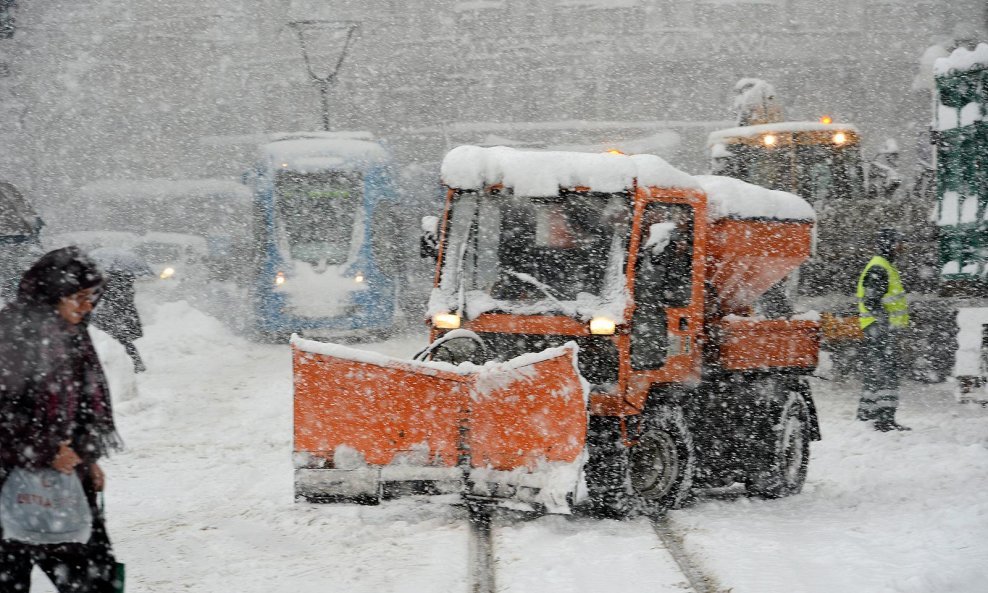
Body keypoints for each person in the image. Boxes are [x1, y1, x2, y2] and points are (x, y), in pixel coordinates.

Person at [0, 246, 123, 592]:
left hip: (68, 477)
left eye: (92, 297)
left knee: (95, 578)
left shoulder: (73, 335)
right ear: (52, 292)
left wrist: (89, 459)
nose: (87, 307)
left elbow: (84, 404)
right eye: (79, 297)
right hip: (9, 479)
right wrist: (44, 449)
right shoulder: (12, 334)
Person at [856, 229, 911, 431]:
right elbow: (871, 301)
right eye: (897, 243)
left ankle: (867, 415)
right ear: (887, 244)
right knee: (886, 373)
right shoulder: (879, 267)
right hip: (879, 328)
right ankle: (884, 419)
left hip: (878, 328)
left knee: (876, 371)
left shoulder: (884, 266)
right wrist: (884, 324)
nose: (901, 247)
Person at [90, 269, 146, 373]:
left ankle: (134, 363)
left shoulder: (113, 284)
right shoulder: (126, 283)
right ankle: (136, 362)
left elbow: (108, 299)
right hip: (121, 316)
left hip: (113, 316)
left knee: (119, 340)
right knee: (123, 340)